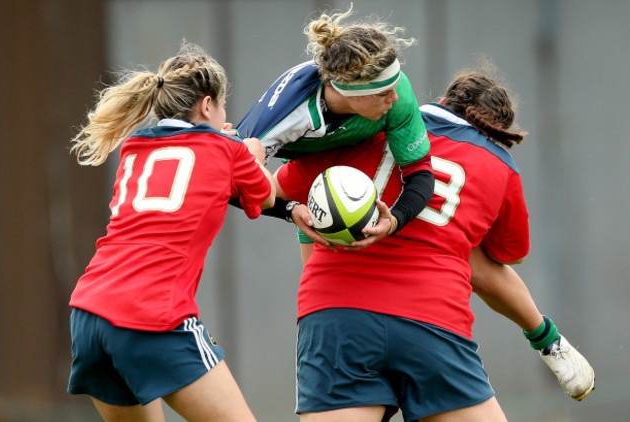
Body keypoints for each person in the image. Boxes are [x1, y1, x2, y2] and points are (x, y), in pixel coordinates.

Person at [274, 71, 593, 421]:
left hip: (336, 316)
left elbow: (276, 189)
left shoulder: (366, 125)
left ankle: (548, 339)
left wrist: (298, 216)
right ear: (498, 132)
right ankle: (549, 341)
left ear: (443, 101)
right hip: (432, 323)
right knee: (466, 252)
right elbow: (505, 257)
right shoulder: (499, 165)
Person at [66, 42, 275, 422]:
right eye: (223, 105)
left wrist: (228, 147)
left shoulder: (133, 147)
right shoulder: (229, 149)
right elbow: (265, 194)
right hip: (151, 317)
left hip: (89, 313)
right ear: (208, 105)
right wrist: (253, 154)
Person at [234, 5, 434, 245]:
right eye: (383, 93)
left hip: (361, 151)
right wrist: (289, 210)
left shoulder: (396, 90)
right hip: (310, 168)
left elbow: (420, 172)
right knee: (316, 275)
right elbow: (231, 183)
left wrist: (394, 221)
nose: (395, 97)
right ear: (352, 93)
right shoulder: (285, 114)